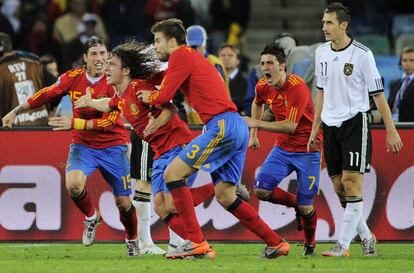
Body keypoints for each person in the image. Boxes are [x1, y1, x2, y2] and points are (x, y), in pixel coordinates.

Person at [138, 18, 290, 260]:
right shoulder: (191, 57)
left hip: (221, 126)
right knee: (226, 195)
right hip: (235, 125)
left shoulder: (180, 55)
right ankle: (276, 243)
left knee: (172, 175)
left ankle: (197, 242)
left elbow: (164, 95)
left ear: (172, 41)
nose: (155, 46)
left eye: (158, 41)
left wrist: (149, 96)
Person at [73, 40, 224, 256]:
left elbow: (171, 108)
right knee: (161, 207)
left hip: (177, 146)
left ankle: (216, 192)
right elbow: (107, 104)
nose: (106, 67)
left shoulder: (140, 87)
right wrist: (89, 102)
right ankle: (198, 245)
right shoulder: (121, 97)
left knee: (171, 203)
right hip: (161, 153)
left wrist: (156, 124)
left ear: (125, 71)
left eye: (112, 64)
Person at [2, 36, 139, 257]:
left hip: (114, 147)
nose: (100, 58)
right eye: (94, 54)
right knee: (74, 185)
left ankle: (132, 240)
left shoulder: (114, 81)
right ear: (84, 58)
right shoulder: (72, 78)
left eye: (103, 53)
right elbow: (45, 94)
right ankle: (91, 217)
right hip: (83, 146)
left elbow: (112, 121)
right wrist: (15, 111)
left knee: (123, 202)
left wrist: (75, 122)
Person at [308, 2, 403, 257]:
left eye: (329, 22)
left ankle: (343, 245)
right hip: (329, 124)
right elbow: (321, 92)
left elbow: (379, 96)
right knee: (339, 188)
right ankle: (367, 237)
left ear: (344, 25)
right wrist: (315, 128)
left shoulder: (363, 55)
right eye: (323, 22)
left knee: (352, 183)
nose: (324, 27)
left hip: (354, 122)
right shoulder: (321, 53)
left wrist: (391, 130)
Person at [244, 43, 322, 256]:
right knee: (261, 190)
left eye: (270, 63)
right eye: (262, 63)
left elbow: (290, 126)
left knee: (308, 208)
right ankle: (298, 205)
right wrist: (253, 135)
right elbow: (257, 103)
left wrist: (255, 124)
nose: (265, 67)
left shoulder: (297, 87)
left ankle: (310, 245)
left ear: (282, 66)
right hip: (283, 149)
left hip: (308, 149)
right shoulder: (262, 85)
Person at [0, 32, 56, 125]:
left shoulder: (1, 71)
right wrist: (49, 110)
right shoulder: (36, 65)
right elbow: (58, 90)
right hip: (43, 128)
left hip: (12, 132)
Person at [183, 24, 229, 124]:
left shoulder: (214, 63)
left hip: (213, 121)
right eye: (192, 46)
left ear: (204, 44)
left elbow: (217, 95)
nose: (195, 50)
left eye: (197, 46)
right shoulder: (185, 63)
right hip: (192, 121)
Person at [129, 132, 166, 255]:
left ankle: (177, 242)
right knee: (144, 184)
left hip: (163, 132)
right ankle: (144, 243)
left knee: (170, 180)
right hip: (147, 132)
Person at [218, 43, 248, 116]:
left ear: (238, 60)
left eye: (230, 55)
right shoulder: (213, 80)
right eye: (223, 55)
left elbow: (244, 102)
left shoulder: (246, 81)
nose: (226, 58)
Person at [388, 47, 414, 122]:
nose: (408, 63)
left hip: (409, 127)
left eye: (412, 60)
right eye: (404, 60)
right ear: (400, 62)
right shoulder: (394, 84)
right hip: (393, 125)